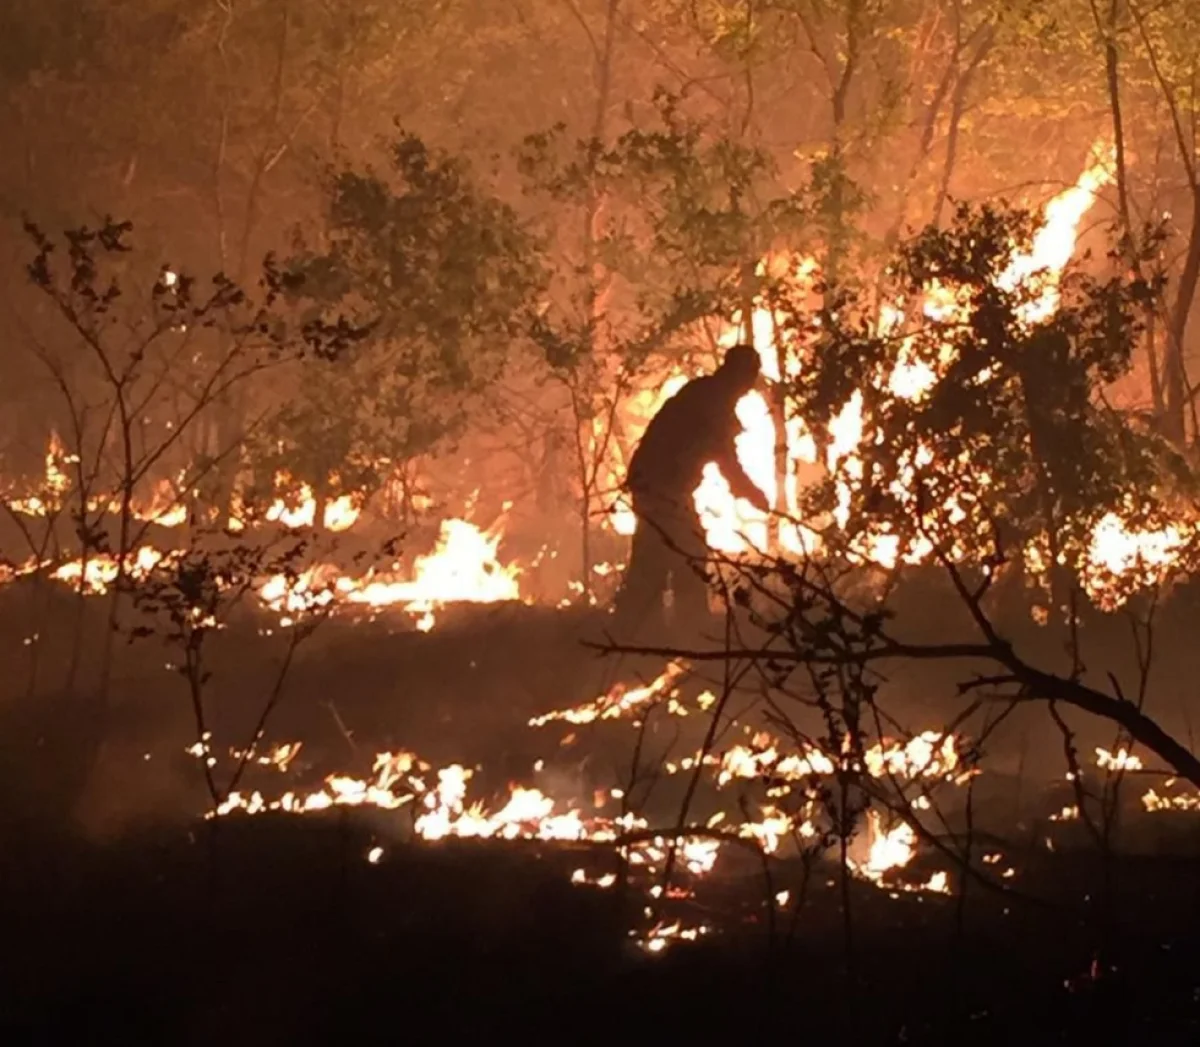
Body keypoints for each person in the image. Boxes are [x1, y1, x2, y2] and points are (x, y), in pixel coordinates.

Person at [613, 344, 771, 631]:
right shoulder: (712, 401)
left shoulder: (704, 393)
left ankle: (642, 630)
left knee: (666, 555)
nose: (748, 386)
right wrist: (752, 494)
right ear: (740, 374)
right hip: (662, 488)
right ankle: (681, 631)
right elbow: (725, 456)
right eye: (749, 377)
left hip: (658, 486)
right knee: (683, 556)